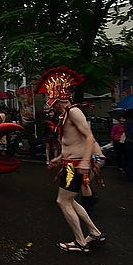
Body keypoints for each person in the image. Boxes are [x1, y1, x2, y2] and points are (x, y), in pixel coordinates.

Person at [36, 66, 105, 253]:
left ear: (60, 98)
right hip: (69, 164)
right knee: (71, 201)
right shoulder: (66, 114)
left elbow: (89, 137)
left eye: (54, 101)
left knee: (63, 201)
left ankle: (80, 242)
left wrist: (84, 161)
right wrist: (58, 158)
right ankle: (95, 232)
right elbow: (71, 144)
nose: (53, 105)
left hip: (74, 166)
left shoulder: (73, 112)